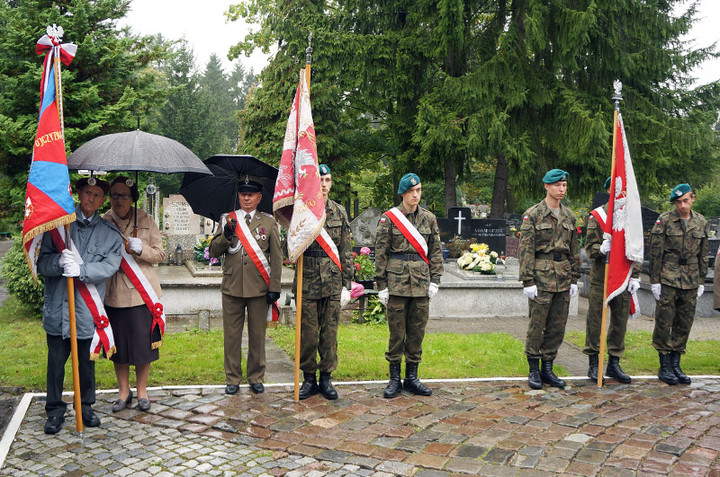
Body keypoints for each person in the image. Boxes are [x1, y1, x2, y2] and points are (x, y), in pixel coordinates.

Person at [37, 177, 123, 434]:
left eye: (97, 195)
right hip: (58, 308)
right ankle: (54, 410)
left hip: (86, 312)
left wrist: (82, 269)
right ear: (79, 193)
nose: (91, 199)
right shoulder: (59, 227)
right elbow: (42, 264)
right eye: (87, 193)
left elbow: (111, 265)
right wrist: (59, 264)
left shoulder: (109, 234)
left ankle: (85, 406)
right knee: (55, 363)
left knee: (86, 363)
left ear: (102, 200)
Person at [209, 177, 282, 395]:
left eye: (251, 195)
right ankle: (232, 378)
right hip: (232, 287)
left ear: (259, 198)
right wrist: (226, 236)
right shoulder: (227, 219)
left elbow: (276, 257)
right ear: (238, 196)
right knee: (231, 336)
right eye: (243, 194)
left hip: (259, 287)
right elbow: (213, 252)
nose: (246, 198)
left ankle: (256, 377)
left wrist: (275, 287)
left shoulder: (269, 222)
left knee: (257, 335)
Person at [375, 173, 443, 399]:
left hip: (421, 284)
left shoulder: (429, 219)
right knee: (397, 334)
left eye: (419, 190)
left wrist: (435, 281)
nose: (416, 195)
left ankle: (412, 378)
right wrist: (381, 286)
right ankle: (394, 379)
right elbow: (381, 254)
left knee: (416, 332)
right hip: (396, 284)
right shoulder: (389, 219)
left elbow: (435, 251)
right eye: (411, 191)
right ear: (403, 193)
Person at [103, 177, 165, 412]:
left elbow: (160, 254)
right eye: (115, 195)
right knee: (118, 347)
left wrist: (142, 249)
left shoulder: (146, 220)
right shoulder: (103, 222)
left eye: (124, 196)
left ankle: (142, 392)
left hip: (142, 294)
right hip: (115, 292)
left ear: (133, 198)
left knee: (142, 346)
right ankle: (123, 391)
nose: (119, 200)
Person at [518, 169, 580, 390]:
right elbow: (525, 249)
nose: (561, 189)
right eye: (557, 185)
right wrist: (527, 281)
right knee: (537, 325)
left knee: (557, 326)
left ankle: (548, 368)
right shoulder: (533, 214)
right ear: (546, 186)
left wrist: (574, 278)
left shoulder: (570, 216)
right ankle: (533, 368)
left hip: (563, 276)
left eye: (564, 185)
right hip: (541, 276)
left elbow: (574, 250)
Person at [297, 164, 353, 400]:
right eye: (320, 179)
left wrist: (347, 285)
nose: (324, 184)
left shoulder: (339, 212)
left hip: (332, 280)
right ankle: (309, 378)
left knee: (329, 335)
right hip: (307, 279)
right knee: (308, 335)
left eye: (328, 179)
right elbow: (289, 248)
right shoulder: (302, 211)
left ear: (331, 183)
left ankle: (326, 378)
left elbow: (346, 250)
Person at [649, 183, 708, 385]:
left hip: (691, 278)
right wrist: (654, 281)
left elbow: (703, 253)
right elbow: (656, 252)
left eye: (685, 200)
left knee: (684, 322)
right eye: (678, 202)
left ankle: (676, 363)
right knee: (665, 321)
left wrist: (701, 280)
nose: (682, 205)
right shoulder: (664, 220)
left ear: (692, 198)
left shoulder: (701, 222)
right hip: (668, 277)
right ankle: (664, 364)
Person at [584, 177, 639, 384]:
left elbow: (636, 248)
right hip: (601, 277)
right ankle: (594, 363)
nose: (618, 193)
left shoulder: (630, 216)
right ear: (608, 190)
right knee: (596, 320)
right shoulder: (598, 216)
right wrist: (601, 249)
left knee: (619, 321)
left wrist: (636, 275)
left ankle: (614, 362)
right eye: (614, 190)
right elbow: (590, 248)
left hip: (623, 276)